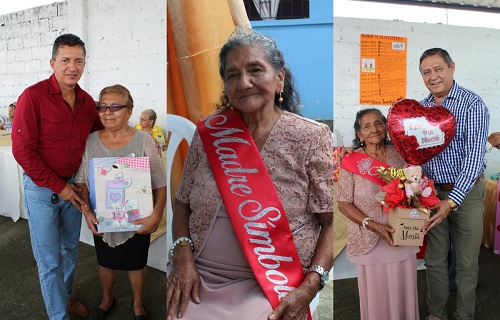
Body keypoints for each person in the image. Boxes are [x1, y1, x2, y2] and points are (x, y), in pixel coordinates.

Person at [166, 26, 334, 320]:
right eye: (232, 75)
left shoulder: (311, 137)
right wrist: (182, 253)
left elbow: (331, 223)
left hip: (272, 276)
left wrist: (312, 283)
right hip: (199, 271)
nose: (243, 83)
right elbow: (182, 202)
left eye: (255, 70)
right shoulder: (210, 132)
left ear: (279, 78)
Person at [11, 34, 103, 319]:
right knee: (49, 260)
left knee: (70, 249)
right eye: (65, 60)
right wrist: (58, 186)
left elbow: (99, 139)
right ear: (53, 63)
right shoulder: (33, 97)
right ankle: (58, 315)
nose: (71, 66)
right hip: (42, 190)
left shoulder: (87, 103)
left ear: (85, 64)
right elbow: (22, 152)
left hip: (73, 187)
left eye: (78, 60)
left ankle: (67, 296)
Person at [75, 84, 166, 320]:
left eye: (116, 106)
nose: (108, 112)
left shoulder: (143, 139)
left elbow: (159, 182)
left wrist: (156, 214)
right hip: (104, 218)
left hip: (138, 218)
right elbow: (82, 182)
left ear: (129, 110)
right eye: (102, 107)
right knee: (105, 262)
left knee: (136, 264)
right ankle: (107, 299)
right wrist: (87, 212)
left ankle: (138, 304)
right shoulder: (91, 141)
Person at [418, 48, 489, 320]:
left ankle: (464, 315)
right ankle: (436, 314)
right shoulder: (421, 108)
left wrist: (453, 200)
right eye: (427, 72)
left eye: (438, 69)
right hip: (433, 194)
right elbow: (418, 153)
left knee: (467, 263)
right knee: (434, 260)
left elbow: (474, 156)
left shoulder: (472, 104)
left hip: (466, 194)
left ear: (451, 68)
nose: (433, 76)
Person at [337, 108, 420, 320]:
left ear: (386, 127)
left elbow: (414, 189)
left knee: (404, 287)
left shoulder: (400, 155)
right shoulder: (350, 160)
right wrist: (371, 224)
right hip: (369, 236)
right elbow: (343, 203)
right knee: (377, 293)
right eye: (366, 126)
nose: (374, 129)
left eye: (378, 123)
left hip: (400, 234)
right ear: (359, 135)